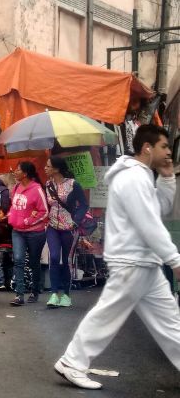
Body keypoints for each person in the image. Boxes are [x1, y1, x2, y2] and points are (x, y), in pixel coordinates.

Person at [55, 125, 180, 390]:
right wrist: (175, 259)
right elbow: (148, 222)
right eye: (164, 146)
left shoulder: (142, 175)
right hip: (131, 260)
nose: (169, 152)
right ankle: (72, 362)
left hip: (143, 262)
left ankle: (72, 361)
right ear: (148, 148)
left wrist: (167, 178)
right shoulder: (132, 177)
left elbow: (159, 210)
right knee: (108, 315)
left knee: (170, 321)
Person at [44, 156, 89, 308]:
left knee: (66, 260)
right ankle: (54, 293)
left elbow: (83, 205)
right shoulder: (48, 184)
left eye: (48, 166)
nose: (45, 168)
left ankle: (66, 295)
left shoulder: (72, 184)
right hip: (52, 227)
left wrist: (75, 221)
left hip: (69, 228)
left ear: (56, 168)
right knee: (54, 257)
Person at [8, 161, 48, 306]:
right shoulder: (16, 187)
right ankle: (19, 294)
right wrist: (11, 216)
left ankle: (35, 291)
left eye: (18, 170)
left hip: (34, 233)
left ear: (25, 173)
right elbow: (14, 206)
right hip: (17, 231)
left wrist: (27, 221)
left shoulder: (37, 189)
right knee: (18, 260)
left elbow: (44, 212)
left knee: (33, 262)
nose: (15, 172)